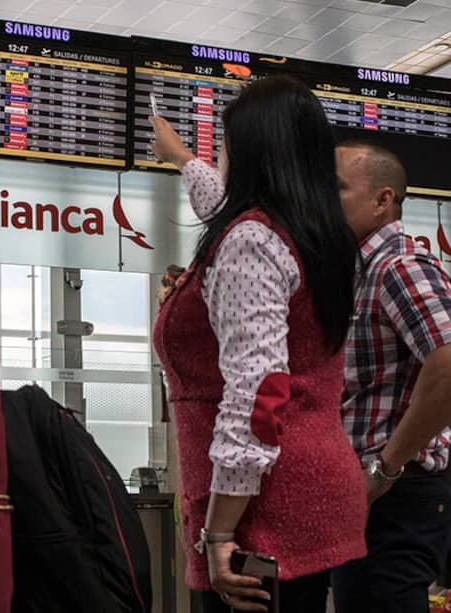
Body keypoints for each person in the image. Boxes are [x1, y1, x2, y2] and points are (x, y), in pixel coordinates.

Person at [150, 76, 367, 613]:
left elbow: (258, 392)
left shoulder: (250, 241)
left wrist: (220, 533)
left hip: (261, 510)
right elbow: (222, 206)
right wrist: (181, 157)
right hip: (317, 488)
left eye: (223, 145)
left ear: (250, 152)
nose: (220, 157)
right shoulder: (317, 235)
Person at [330, 141, 451, 613]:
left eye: (338, 188)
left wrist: (384, 469)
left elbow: (448, 363)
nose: (324, 198)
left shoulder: (398, 267)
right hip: (369, 495)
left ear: (383, 200)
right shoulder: (360, 272)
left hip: (398, 495)